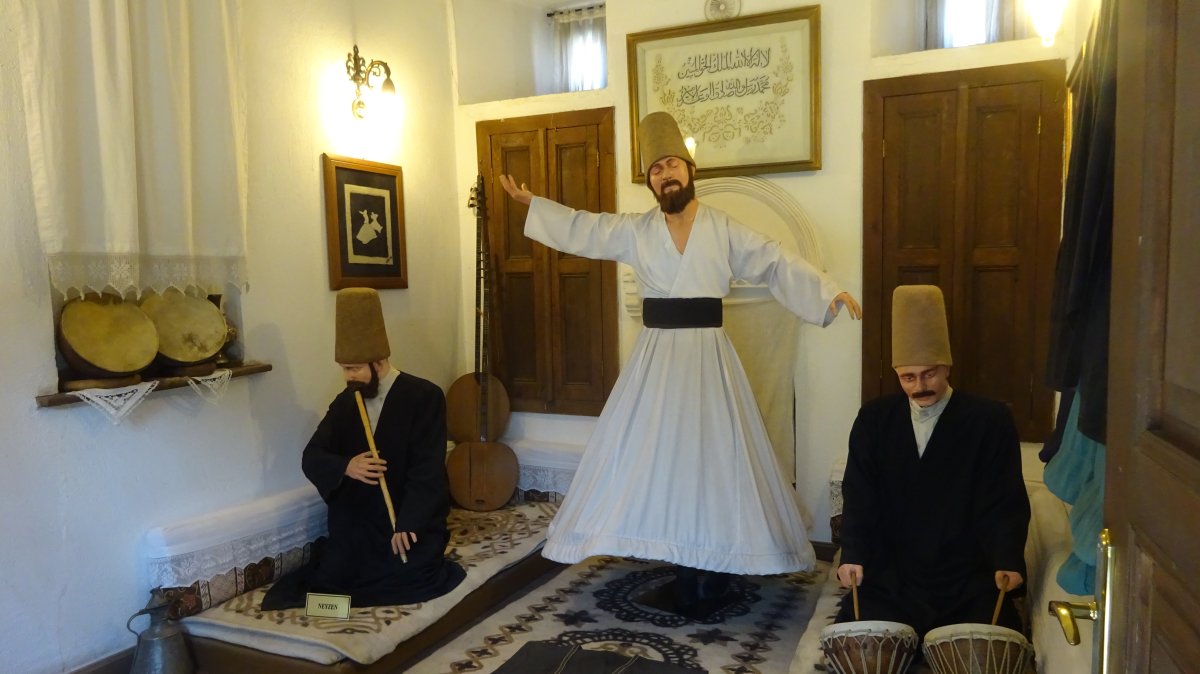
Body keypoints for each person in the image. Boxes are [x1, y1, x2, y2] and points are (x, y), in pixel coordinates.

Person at [497, 111, 862, 615]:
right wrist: (532, 204)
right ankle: (678, 562)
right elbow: (585, 229)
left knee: (713, 463)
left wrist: (828, 291)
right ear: (649, 181)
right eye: (654, 170)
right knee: (662, 464)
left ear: (690, 170)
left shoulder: (724, 229)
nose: (664, 174)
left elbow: (775, 260)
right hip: (655, 363)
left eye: (672, 164)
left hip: (709, 359)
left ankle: (712, 570)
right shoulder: (635, 230)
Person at [835, 285, 1030, 636]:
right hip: (892, 572)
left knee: (989, 637)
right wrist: (853, 554)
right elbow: (860, 493)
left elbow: (1003, 498)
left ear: (947, 366)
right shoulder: (874, 419)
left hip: (962, 573)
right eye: (908, 377)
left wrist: (1007, 559)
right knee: (863, 636)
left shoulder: (989, 419)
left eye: (930, 374)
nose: (920, 386)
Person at [262, 288, 465, 609]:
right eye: (344, 367)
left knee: (411, 573)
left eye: (354, 368)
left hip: (405, 517)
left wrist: (408, 524)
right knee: (333, 576)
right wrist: (347, 466)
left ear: (380, 362)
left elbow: (427, 470)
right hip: (358, 524)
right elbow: (313, 456)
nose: (347, 376)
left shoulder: (424, 396)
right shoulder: (347, 401)